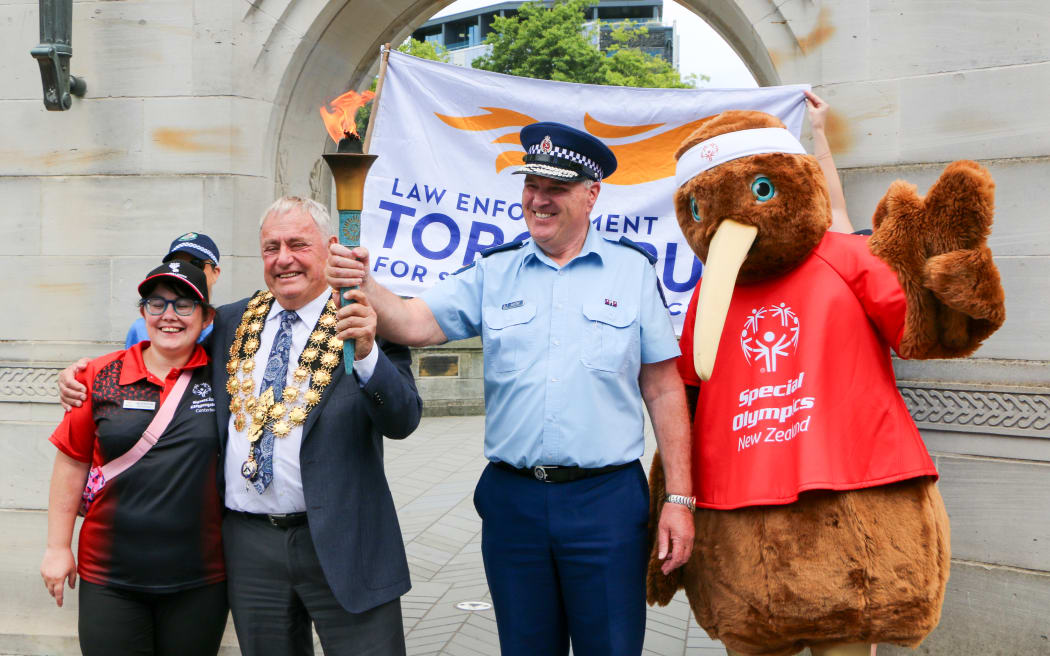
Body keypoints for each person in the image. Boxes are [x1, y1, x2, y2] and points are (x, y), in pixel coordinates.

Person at [326, 122, 694, 656]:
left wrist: (678, 499)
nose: (538, 200)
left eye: (556, 189)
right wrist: (366, 281)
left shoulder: (632, 271)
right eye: (531, 186)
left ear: (592, 194)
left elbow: (663, 391)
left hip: (606, 503)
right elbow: (411, 323)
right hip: (514, 502)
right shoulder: (494, 271)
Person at [60, 196, 424, 656]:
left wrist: (368, 351)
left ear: (331, 247)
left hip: (344, 540)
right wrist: (85, 372)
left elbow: (403, 419)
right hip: (250, 547)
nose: (283, 258)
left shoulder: (366, 318)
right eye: (271, 247)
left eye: (298, 244)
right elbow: (164, 345)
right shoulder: (232, 321)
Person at [42, 262, 228, 656]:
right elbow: (72, 460)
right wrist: (58, 548)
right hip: (110, 578)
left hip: (199, 579)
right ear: (142, 313)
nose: (169, 316)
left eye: (183, 305)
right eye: (156, 304)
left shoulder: (226, 378)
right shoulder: (97, 374)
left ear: (207, 316)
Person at [125, 232, 222, 348]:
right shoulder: (141, 329)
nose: (184, 270)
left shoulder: (226, 329)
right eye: (176, 264)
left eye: (196, 264)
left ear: (215, 273)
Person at [805, 89, 857, 234]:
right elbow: (834, 210)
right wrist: (818, 128)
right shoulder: (857, 249)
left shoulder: (856, 250)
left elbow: (835, 211)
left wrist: (818, 129)